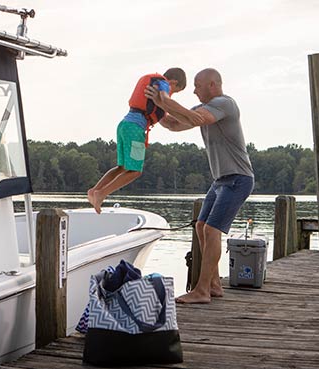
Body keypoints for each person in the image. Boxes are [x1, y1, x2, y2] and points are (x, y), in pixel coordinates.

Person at [145, 68, 254, 304]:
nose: (193, 90)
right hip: (221, 180)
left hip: (238, 178)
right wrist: (155, 109)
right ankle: (214, 284)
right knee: (201, 226)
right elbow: (175, 124)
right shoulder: (203, 109)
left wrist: (163, 99)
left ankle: (202, 290)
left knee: (212, 231)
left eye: (197, 85)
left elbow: (195, 119)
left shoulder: (225, 104)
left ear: (212, 85)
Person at [87, 68, 187, 214]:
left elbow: (164, 116)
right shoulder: (164, 84)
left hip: (124, 125)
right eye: (176, 91)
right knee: (135, 171)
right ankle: (101, 194)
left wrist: (185, 121)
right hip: (135, 129)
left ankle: (94, 190)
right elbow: (165, 100)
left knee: (122, 167)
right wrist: (186, 113)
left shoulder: (155, 84)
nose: (173, 94)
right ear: (174, 82)